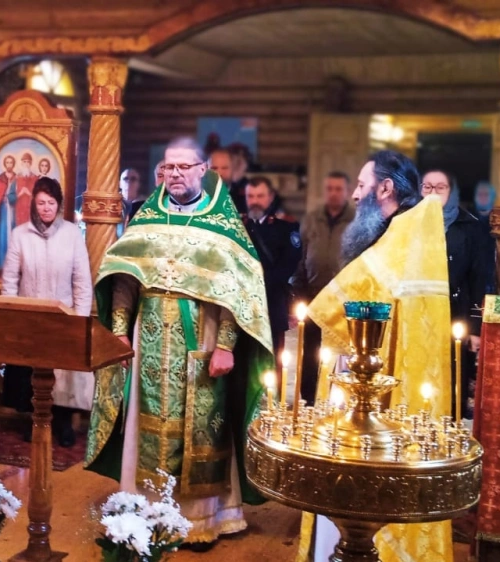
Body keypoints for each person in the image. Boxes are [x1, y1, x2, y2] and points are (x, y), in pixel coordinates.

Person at [86, 137, 274, 548]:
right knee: (144, 422)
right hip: (148, 335)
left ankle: (200, 519)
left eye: (183, 167)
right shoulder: (146, 219)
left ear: (202, 170)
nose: (174, 174)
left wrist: (225, 345)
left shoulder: (223, 224)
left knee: (203, 427)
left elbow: (237, 293)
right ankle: (143, 510)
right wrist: (118, 331)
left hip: (201, 336)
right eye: (167, 167)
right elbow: (124, 280)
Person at [298, 150, 454, 562]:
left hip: (379, 375)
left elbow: (352, 293)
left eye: (362, 185)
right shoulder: (404, 231)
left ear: (385, 188)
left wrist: (318, 308)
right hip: (374, 363)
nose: (354, 195)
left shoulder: (405, 232)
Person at [1, 177, 92, 447]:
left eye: (51, 203)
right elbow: (10, 281)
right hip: (30, 317)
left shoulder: (72, 235)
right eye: (41, 203)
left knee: (62, 375)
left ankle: (62, 423)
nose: (46, 208)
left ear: (59, 204)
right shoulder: (20, 235)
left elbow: (82, 281)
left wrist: (80, 320)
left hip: (63, 317)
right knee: (31, 373)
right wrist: (12, 316)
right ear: (34, 204)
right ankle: (35, 421)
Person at [421, 169, 490, 418]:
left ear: (452, 192)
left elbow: (479, 279)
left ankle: (448, 428)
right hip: (419, 314)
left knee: (452, 377)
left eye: (440, 187)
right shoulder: (409, 223)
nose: (433, 193)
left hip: (455, 314)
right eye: (427, 187)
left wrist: (475, 328)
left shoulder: (469, 227)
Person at [292, 171, 356, 403]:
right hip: (313, 294)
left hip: (342, 299)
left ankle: (338, 397)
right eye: (330, 188)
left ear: (347, 191)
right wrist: (298, 290)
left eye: (338, 189)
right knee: (311, 349)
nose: (334, 193)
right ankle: (309, 398)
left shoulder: (356, 220)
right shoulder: (312, 219)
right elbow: (301, 255)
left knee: (340, 350)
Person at [242, 176, 302, 371]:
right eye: (251, 196)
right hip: (242, 306)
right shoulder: (238, 226)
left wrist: (256, 285)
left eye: (260, 196)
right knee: (243, 365)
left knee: (272, 364)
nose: (255, 201)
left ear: (270, 197)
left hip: (272, 306)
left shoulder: (286, 228)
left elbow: (287, 266)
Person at [0, 154, 17, 271]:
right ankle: (0, 265)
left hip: (13, 210)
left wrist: (11, 198)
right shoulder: (0, 178)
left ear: (13, 164)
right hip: (2, 210)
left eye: (11, 162)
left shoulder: (17, 177)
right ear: (5, 164)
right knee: (2, 236)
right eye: (7, 162)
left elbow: (18, 193)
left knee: (13, 235)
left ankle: (13, 265)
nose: (9, 165)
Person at [118, 167, 143, 236]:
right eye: (125, 179)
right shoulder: (112, 204)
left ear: (139, 184)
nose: (129, 182)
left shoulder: (145, 205)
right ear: (119, 184)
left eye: (133, 179)